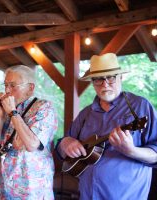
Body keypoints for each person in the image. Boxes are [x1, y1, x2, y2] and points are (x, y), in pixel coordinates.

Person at [56, 53, 157, 200]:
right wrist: (65, 143)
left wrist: (132, 151)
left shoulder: (140, 107)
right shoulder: (85, 114)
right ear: (92, 82)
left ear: (120, 77)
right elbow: (61, 145)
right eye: (98, 79)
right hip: (88, 195)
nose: (105, 84)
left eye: (111, 77)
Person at [0, 65, 58, 199]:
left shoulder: (43, 108)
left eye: (13, 85)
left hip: (32, 191)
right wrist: (0, 115)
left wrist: (13, 113)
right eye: (5, 85)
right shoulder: (5, 112)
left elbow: (31, 145)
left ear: (30, 88)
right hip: (4, 189)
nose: (7, 90)